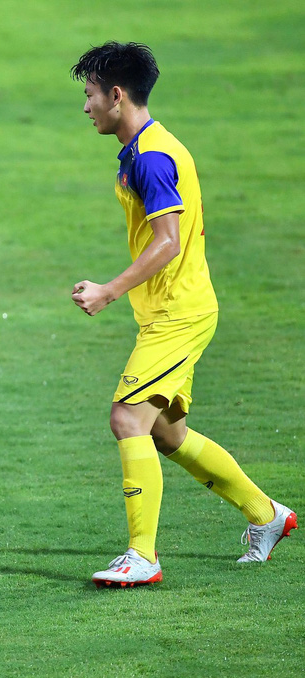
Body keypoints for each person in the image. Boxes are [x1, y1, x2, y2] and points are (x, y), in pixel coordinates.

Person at [69, 42, 296, 587]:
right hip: (175, 310)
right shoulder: (148, 147)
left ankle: (141, 557)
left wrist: (109, 291)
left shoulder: (150, 157)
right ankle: (268, 516)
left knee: (127, 418)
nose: (86, 108)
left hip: (179, 314)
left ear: (116, 95)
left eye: (91, 95)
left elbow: (167, 242)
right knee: (167, 435)